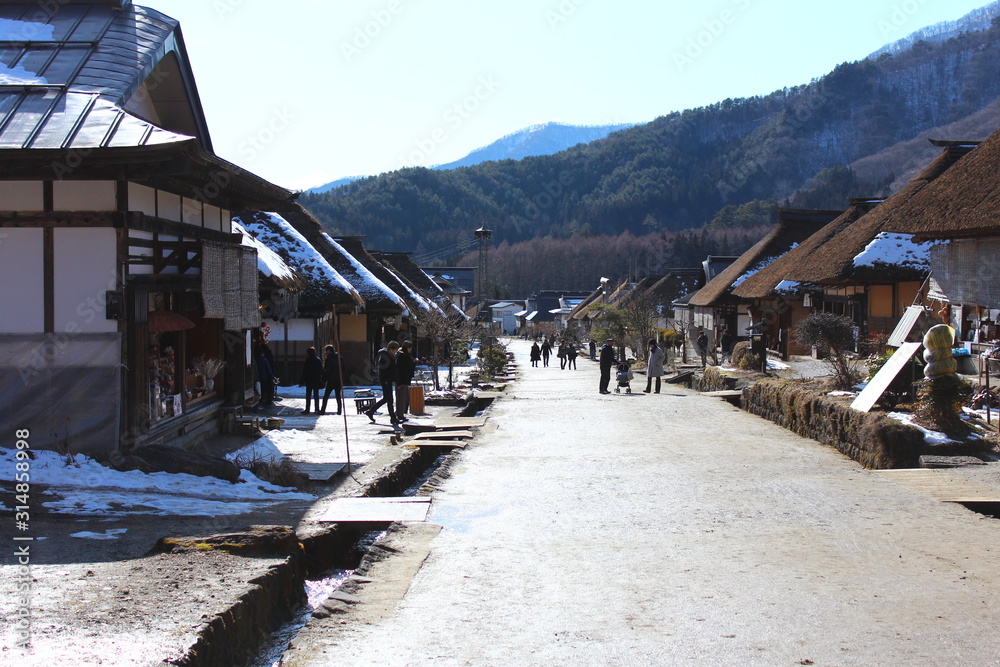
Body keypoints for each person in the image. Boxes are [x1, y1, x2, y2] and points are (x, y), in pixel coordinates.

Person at [365, 341, 399, 425]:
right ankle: (392, 418)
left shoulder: (388, 355)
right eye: (395, 350)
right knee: (389, 399)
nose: (396, 352)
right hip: (386, 380)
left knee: (387, 399)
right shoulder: (385, 357)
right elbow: (383, 370)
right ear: (391, 349)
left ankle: (372, 411)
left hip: (388, 380)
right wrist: (387, 380)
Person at [298, 346, 324, 414]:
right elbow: (321, 370)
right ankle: (317, 409)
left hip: (309, 379)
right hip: (316, 379)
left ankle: (307, 409)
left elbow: (305, 371)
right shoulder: (318, 360)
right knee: (316, 395)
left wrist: (301, 382)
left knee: (308, 395)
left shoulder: (308, 360)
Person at [394, 341, 416, 423]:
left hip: (405, 380)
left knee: (405, 398)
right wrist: (399, 382)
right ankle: (400, 414)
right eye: (409, 348)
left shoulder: (406, 355)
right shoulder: (401, 356)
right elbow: (399, 370)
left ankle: (401, 413)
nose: (410, 350)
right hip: (401, 380)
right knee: (401, 398)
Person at [320, 344, 343, 415]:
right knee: (338, 396)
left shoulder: (329, 359)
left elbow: (327, 370)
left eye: (326, 351)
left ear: (329, 351)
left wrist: (324, 379)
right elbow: (343, 369)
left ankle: (323, 410)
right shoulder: (340, 358)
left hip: (331, 380)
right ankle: (339, 411)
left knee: (326, 396)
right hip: (338, 379)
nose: (325, 352)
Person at [255, 341, 275, 409]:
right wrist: (272, 377)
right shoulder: (264, 359)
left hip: (256, 377)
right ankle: (263, 401)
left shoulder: (255, 360)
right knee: (263, 390)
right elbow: (268, 369)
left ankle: (259, 402)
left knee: (258, 391)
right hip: (264, 377)